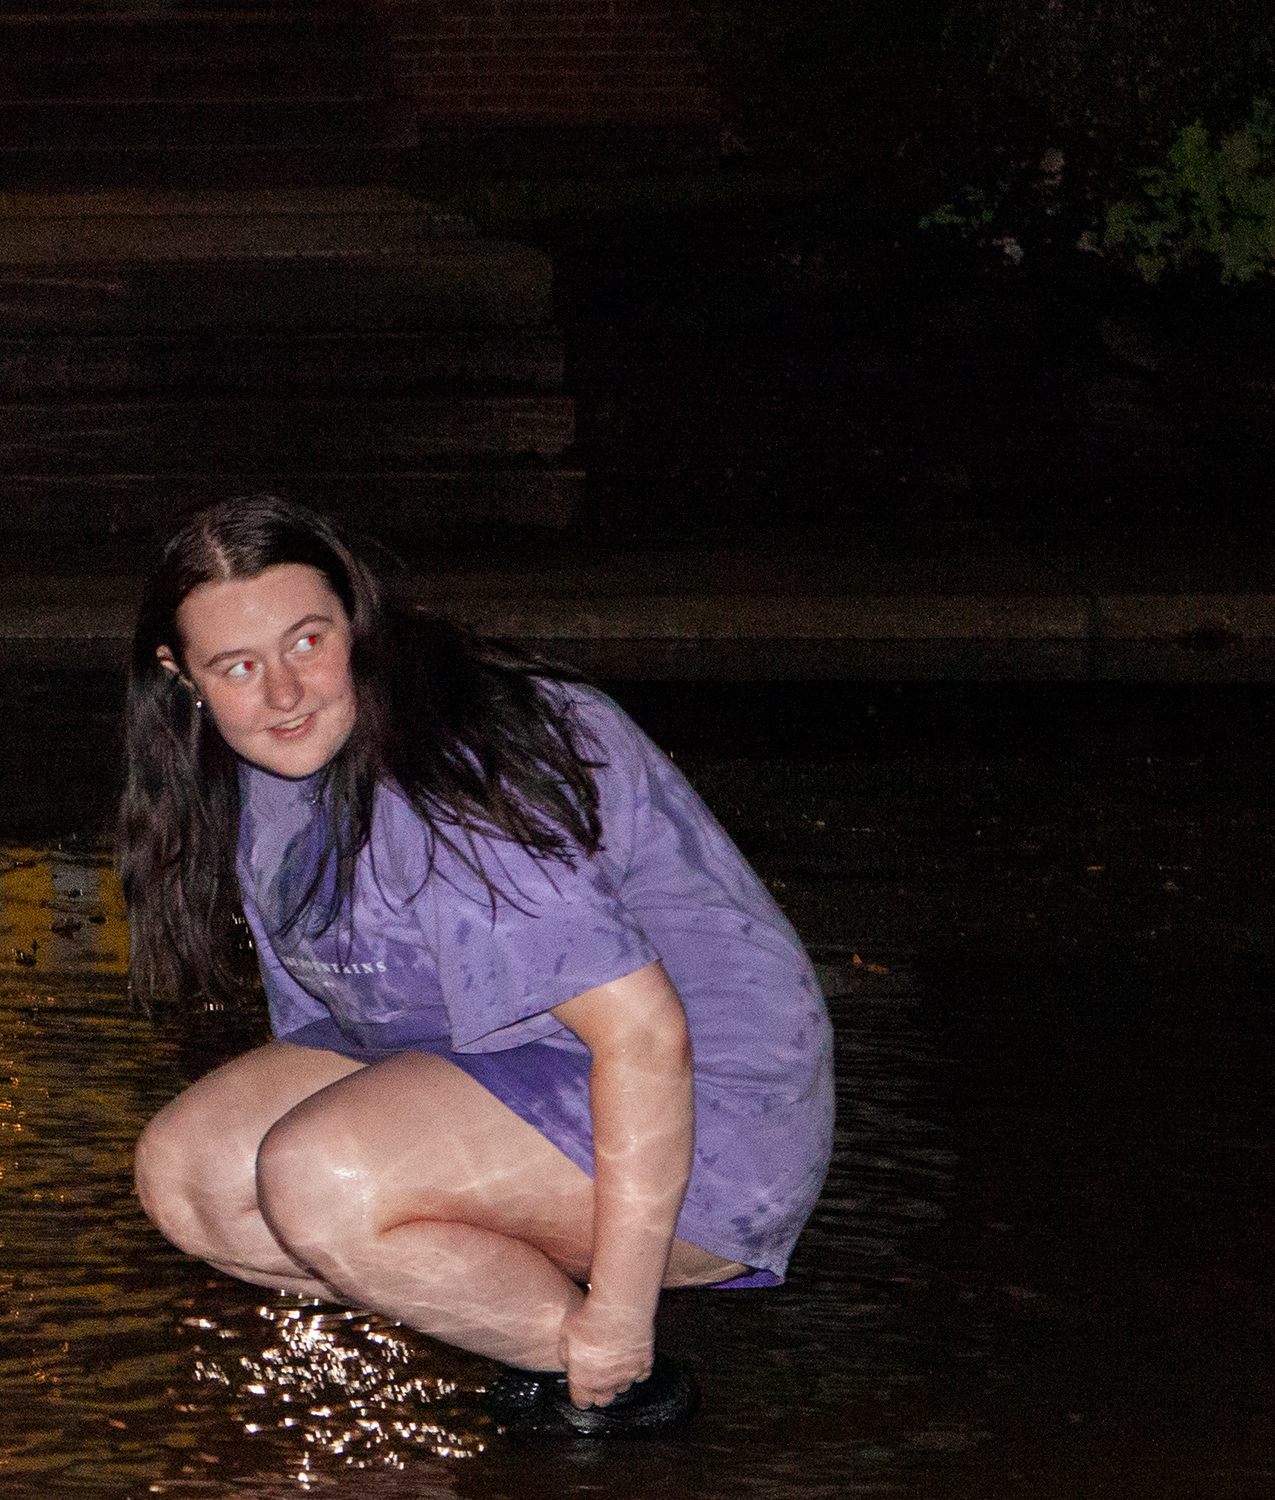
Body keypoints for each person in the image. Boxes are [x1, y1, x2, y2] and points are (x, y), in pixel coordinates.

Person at [118, 497, 833, 1435]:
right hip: (495, 1053)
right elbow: (339, 1024)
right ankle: (565, 1358)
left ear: (358, 621)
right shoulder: (264, 773)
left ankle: (615, 1364)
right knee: (190, 1174)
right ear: (183, 678)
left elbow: (646, 1033)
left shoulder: (458, 759)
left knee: (317, 1174)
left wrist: (621, 1312)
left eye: (308, 641)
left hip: (708, 1106)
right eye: (239, 666)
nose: (284, 693)